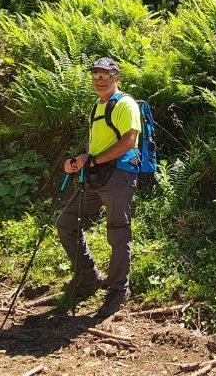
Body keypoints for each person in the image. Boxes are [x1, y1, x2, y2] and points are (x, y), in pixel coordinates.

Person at [56, 56, 141, 316]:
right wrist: (78, 161)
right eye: (96, 75)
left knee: (117, 230)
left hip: (119, 176)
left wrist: (92, 160)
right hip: (95, 175)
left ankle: (117, 288)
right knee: (66, 223)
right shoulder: (97, 105)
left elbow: (129, 141)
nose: (100, 79)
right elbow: (97, 146)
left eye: (106, 75)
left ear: (117, 78)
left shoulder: (126, 104)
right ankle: (87, 275)